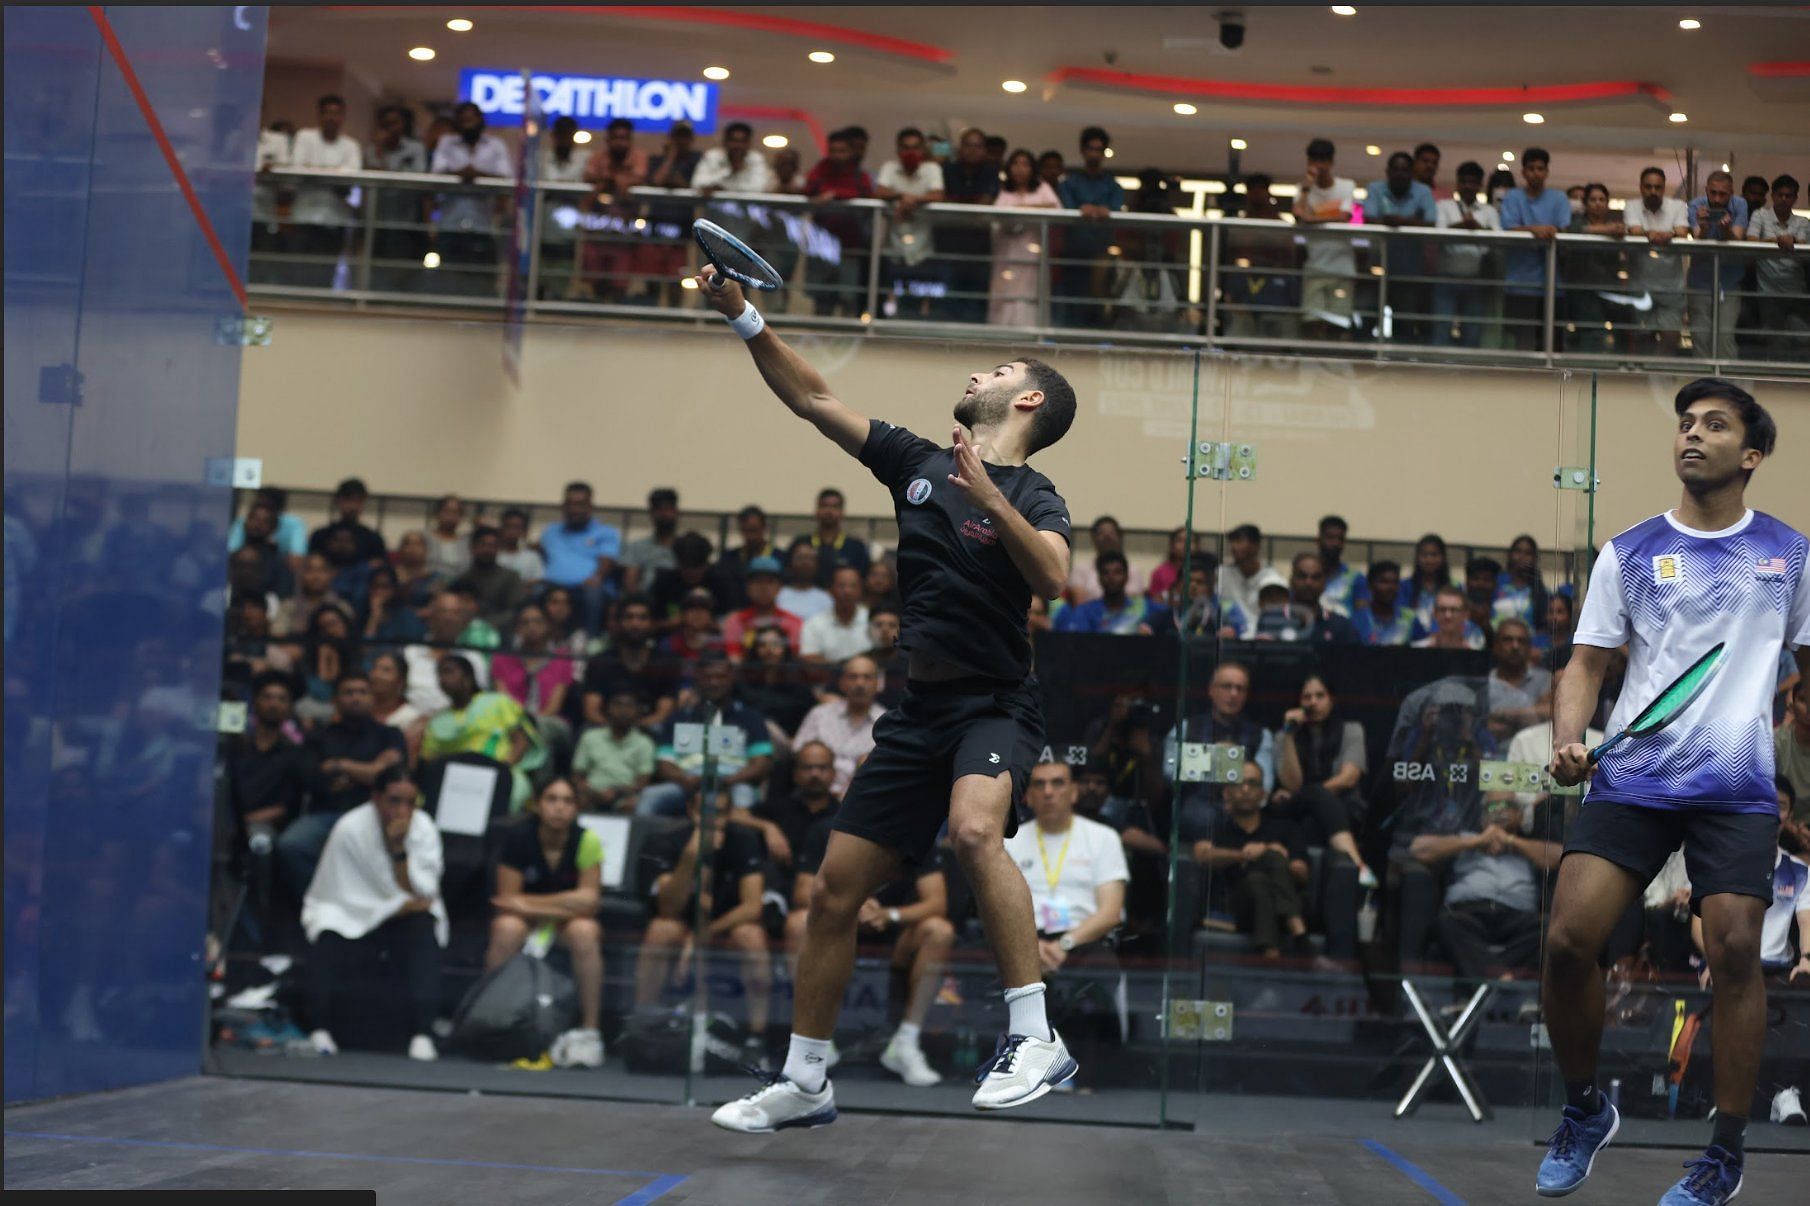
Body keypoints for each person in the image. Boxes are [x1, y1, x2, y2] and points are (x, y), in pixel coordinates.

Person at [697, 265, 1080, 1130]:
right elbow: (814, 400)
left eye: (1001, 373)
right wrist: (745, 316)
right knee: (833, 893)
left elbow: (1055, 577)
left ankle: (1035, 1036)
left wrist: (991, 495)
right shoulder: (914, 460)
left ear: (1028, 405)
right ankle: (805, 1081)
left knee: (977, 828)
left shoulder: (1034, 492)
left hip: (994, 704)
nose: (981, 376)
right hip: (918, 713)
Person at [1537, 378, 1807, 1203]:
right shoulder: (1628, 551)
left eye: (1715, 425)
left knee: (1733, 950)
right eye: (1685, 423)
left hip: (1735, 782)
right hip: (1636, 775)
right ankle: (1585, 1110)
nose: (1692, 435)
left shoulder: (1790, 555)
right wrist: (1568, 739)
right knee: (1566, 943)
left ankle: (1723, 1151)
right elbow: (1585, 664)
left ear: (1750, 455)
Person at [301, 767, 445, 1062]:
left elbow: (423, 892)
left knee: (423, 931)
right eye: (394, 801)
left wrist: (399, 849)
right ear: (376, 798)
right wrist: (388, 907)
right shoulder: (350, 827)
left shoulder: (424, 827)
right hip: (355, 909)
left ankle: (423, 1033)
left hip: (405, 913)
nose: (402, 811)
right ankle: (319, 1029)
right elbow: (337, 891)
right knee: (328, 932)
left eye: (410, 802)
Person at [635, 789, 772, 1064]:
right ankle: (642, 1024)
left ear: (730, 813)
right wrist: (691, 854)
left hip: (725, 925)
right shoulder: (666, 841)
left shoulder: (744, 840)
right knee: (662, 929)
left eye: (719, 813)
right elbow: (669, 907)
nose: (713, 821)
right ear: (691, 811)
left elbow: (752, 906)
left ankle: (757, 1037)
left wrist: (699, 937)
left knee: (752, 935)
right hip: (679, 920)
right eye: (705, 813)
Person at [486, 777, 607, 1068]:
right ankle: (493, 1021)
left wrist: (529, 903)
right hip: (527, 922)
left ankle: (590, 1031)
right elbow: (505, 900)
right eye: (552, 799)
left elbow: (589, 902)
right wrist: (566, 902)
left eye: (567, 801)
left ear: (576, 808)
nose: (559, 808)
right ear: (538, 805)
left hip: (564, 924)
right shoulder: (517, 837)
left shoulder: (587, 840)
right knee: (506, 927)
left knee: (585, 931)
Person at [282, 670, 406, 893]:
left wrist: (339, 766)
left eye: (362, 692)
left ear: (372, 698)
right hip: (327, 812)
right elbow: (313, 779)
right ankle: (323, 897)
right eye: (348, 692)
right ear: (335, 700)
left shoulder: (390, 734)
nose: (356, 698)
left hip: (373, 814)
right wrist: (370, 770)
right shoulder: (319, 736)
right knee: (292, 844)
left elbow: (389, 778)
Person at [1415, 795, 1560, 984]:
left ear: (1519, 815)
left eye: (1506, 805)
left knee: (1552, 928)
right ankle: (1502, 980)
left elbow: (1560, 857)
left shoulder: (1530, 844)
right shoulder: (1466, 838)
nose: (1499, 811)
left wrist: (1510, 841)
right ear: (1482, 817)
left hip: (1517, 917)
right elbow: (1418, 849)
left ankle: (1491, 979)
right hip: (1468, 912)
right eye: (1491, 806)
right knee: (1445, 924)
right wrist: (1476, 842)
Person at [1005, 759, 1128, 974]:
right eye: (1039, 784)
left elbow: (1111, 912)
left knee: (1100, 966)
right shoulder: (1009, 842)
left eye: (1058, 783)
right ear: (1029, 795)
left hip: (1082, 940)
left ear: (1073, 792)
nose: (1048, 792)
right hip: (1022, 939)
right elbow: (999, 909)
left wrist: (1064, 944)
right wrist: (1029, 946)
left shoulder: (1103, 838)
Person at [1193, 760, 1310, 958]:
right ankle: (1298, 931)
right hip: (1237, 910)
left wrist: (1277, 858)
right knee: (1265, 862)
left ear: (1264, 793)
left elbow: (1303, 874)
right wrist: (1244, 855)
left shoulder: (1285, 828)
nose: (1246, 789)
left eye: (1253, 784)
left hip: (1276, 905)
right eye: (1239, 783)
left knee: (1259, 880)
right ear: (1226, 792)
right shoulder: (1219, 829)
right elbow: (1201, 854)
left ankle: (1270, 953)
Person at [1274, 674, 1377, 893]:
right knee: (1308, 802)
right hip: (1296, 807)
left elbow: (1349, 777)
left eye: (1320, 696)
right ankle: (1359, 865)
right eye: (1306, 697)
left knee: (1310, 823)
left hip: (1342, 807)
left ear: (1331, 699)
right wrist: (1289, 736)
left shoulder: (1352, 730)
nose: (1313, 702)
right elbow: (1292, 785)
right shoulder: (1283, 736)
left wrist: (1311, 793)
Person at [643, 653, 774, 817]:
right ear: (697, 679)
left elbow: (761, 764)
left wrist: (726, 781)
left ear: (731, 678)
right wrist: (686, 780)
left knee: (744, 797)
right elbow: (664, 763)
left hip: (734, 784)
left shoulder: (750, 718)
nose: (714, 682)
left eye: (720, 677)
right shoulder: (679, 718)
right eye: (707, 677)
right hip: (687, 783)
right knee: (651, 796)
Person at [420, 654, 544, 813]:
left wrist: (501, 769)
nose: (442, 679)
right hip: (455, 781)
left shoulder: (498, 702)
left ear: (468, 677)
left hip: (501, 774)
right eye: (439, 675)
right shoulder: (437, 721)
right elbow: (430, 760)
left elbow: (521, 741)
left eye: (448, 672)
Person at [287, 94, 362, 288]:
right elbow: (297, 171)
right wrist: (333, 173)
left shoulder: (351, 146)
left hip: (334, 218)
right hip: (304, 215)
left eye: (336, 113)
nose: (331, 117)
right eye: (327, 113)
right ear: (319, 115)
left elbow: (349, 180)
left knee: (325, 272)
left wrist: (314, 171)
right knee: (298, 270)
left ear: (343, 117)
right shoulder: (305, 137)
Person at [1499, 148, 1571, 351]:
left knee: (1552, 343)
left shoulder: (1558, 199)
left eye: (1540, 168)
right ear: (1523, 172)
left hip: (1551, 285)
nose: (1536, 173)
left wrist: (1538, 231)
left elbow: (1562, 230)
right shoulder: (1513, 197)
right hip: (1518, 283)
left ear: (1547, 172)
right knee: (1521, 341)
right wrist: (1536, 230)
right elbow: (1508, 229)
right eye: (1531, 168)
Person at [1056, 126, 1125, 326]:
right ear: (1083, 150)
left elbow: (1114, 209)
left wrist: (1096, 210)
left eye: (1098, 149)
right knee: (1073, 302)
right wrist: (1086, 210)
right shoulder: (1070, 183)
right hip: (1074, 253)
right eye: (1091, 149)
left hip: (1101, 253)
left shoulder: (1113, 185)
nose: (1094, 153)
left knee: (1098, 300)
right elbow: (1068, 208)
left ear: (1104, 152)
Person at [1365, 151, 1437, 341]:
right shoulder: (1375, 188)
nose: (1400, 175)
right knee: (1368, 319)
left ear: (1411, 172)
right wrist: (1411, 221)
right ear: (1388, 172)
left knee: (1404, 326)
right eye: (1395, 170)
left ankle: (1401, 369)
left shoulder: (1423, 191)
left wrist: (1398, 222)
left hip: (1409, 273)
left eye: (1405, 170)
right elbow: (1369, 218)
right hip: (1376, 270)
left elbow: (1430, 223)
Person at [874, 126, 946, 317]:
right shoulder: (890, 167)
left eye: (915, 147)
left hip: (922, 249)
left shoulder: (932, 169)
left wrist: (912, 201)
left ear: (923, 150)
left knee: (915, 301)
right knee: (884, 300)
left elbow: (938, 195)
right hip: (893, 247)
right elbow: (879, 191)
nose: (910, 152)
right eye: (905, 148)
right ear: (898, 150)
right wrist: (902, 196)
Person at [1292, 138, 1358, 338]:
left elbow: (1344, 217)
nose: (1319, 166)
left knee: (1338, 324)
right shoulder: (1303, 188)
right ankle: (1311, 367)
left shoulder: (1346, 186)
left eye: (1323, 160)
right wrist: (1306, 189)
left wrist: (1309, 218)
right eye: (1314, 161)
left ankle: (1334, 368)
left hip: (1342, 268)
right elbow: (1297, 215)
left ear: (1331, 162)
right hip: (1315, 267)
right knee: (1311, 323)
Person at [792, 655, 886, 796]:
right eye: (853, 677)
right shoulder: (820, 715)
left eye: (867, 677)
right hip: (816, 796)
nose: (860, 683)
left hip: (865, 800)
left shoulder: (887, 722)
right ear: (842, 682)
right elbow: (799, 754)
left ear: (878, 684)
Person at [988, 148, 1061, 327]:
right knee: (1004, 292)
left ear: (1032, 168)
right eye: (1015, 163)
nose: (1020, 169)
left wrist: (1023, 209)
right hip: (1007, 253)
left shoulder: (1042, 188)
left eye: (1025, 164)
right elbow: (997, 219)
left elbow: (1056, 209)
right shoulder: (1004, 192)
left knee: (1029, 294)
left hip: (1032, 253)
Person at [1625, 166, 1693, 356]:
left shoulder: (1677, 206)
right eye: (1648, 187)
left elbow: (1681, 232)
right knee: (1642, 339)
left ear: (1663, 188)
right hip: (1641, 288)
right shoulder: (1632, 206)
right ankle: (1644, 381)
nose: (1653, 191)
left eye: (1657, 187)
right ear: (1641, 187)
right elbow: (1634, 231)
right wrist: (1654, 234)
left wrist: (1665, 235)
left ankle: (1661, 381)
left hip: (1672, 289)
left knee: (1671, 339)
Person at [1433, 161, 1502, 348]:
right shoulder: (1444, 206)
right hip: (1446, 277)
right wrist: (1463, 226)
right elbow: (1438, 234)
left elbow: (1497, 240)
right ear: (1457, 183)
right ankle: (1435, 373)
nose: (1468, 186)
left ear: (1479, 185)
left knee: (1473, 333)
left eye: (1472, 182)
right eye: (1464, 182)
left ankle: (1469, 375)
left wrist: (1478, 228)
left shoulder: (1488, 211)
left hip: (1476, 279)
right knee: (1442, 328)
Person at [539, 481, 621, 635]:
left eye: (579, 504)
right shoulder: (551, 531)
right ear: (563, 506)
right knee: (534, 592)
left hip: (585, 588)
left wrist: (598, 576)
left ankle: (591, 641)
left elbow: (607, 560)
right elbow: (543, 557)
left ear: (590, 507)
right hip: (552, 586)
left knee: (594, 593)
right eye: (570, 504)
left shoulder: (605, 532)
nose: (574, 509)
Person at [746, 740, 840, 875]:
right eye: (807, 768)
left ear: (834, 774)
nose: (815, 774)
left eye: (822, 768)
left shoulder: (844, 814)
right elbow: (734, 813)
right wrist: (767, 827)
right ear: (795, 774)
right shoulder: (779, 806)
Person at [1686, 170, 1750, 362]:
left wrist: (1726, 230)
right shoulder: (1695, 205)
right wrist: (1703, 227)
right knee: (1700, 337)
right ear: (1706, 190)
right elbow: (1698, 238)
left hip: (1729, 283)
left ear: (1731, 193)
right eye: (1712, 193)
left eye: (1722, 194)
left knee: (1725, 336)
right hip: (1699, 282)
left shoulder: (1740, 204)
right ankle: (1702, 385)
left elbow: (1736, 238)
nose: (1716, 199)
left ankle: (1727, 385)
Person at [1747, 174, 1810, 356]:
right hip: (1769, 293)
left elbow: (1804, 248)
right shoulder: (1760, 215)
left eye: (1788, 195)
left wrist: (1793, 242)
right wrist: (1778, 241)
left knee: (1804, 337)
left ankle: (1798, 381)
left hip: (1796, 292)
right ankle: (1777, 383)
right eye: (1780, 195)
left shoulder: (1803, 222)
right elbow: (1751, 241)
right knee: (1775, 340)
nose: (1783, 199)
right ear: (1773, 196)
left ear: (1795, 198)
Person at [572, 688, 655, 813]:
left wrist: (617, 792)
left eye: (629, 706)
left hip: (625, 796)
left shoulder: (645, 743)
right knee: (577, 799)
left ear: (637, 712)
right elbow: (577, 776)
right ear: (608, 709)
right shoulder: (590, 737)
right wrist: (591, 792)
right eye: (618, 705)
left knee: (634, 805)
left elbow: (643, 784)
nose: (623, 711)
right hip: (591, 794)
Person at [1055, 551, 1161, 634]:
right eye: (1106, 573)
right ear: (1099, 578)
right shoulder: (1085, 612)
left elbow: (1170, 617)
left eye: (1117, 572)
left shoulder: (1144, 607)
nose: (1111, 578)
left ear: (1127, 576)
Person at [721, 556, 803, 659]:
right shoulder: (736, 622)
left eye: (770, 582)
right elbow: (734, 661)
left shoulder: (794, 623)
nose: (763, 587)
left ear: (779, 588)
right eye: (757, 581)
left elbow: (795, 662)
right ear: (747, 588)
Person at [800, 565, 872, 663]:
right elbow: (809, 659)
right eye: (841, 586)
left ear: (861, 590)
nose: (847, 591)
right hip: (828, 677)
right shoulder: (814, 623)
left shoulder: (873, 620)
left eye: (853, 586)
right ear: (830, 590)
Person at [1217, 522, 1287, 620]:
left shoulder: (1272, 578)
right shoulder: (1222, 574)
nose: (1234, 546)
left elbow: (1278, 614)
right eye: (1232, 541)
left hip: (1263, 631)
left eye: (1239, 541)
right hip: (1230, 631)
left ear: (1256, 545)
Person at [621, 487, 681, 594]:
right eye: (658, 510)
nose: (663, 514)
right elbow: (630, 582)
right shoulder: (637, 547)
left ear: (676, 512)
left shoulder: (685, 547)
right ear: (651, 514)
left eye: (668, 509)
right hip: (646, 599)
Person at [1315, 514, 1369, 617]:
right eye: (1330, 538)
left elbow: (1362, 615)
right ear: (1318, 540)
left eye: (1340, 539)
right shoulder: (1306, 576)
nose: (1336, 543)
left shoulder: (1356, 578)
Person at [1352, 560, 1414, 646]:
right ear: (1370, 585)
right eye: (1384, 582)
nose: (1390, 587)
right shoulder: (1357, 621)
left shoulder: (1410, 619)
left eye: (1395, 582)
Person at [1412, 584, 1484, 651]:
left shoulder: (1476, 652)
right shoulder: (1415, 650)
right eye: (1442, 609)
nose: (1448, 615)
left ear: (1465, 615)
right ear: (1434, 614)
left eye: (1454, 610)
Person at [777, 543, 833, 621]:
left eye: (809, 558)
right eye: (800, 558)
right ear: (790, 563)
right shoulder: (777, 595)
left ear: (817, 565)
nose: (805, 563)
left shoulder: (826, 599)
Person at [494, 508, 544, 584]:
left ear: (524, 531)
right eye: (508, 527)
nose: (512, 532)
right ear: (501, 529)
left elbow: (537, 581)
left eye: (517, 528)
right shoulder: (493, 556)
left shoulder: (532, 558)